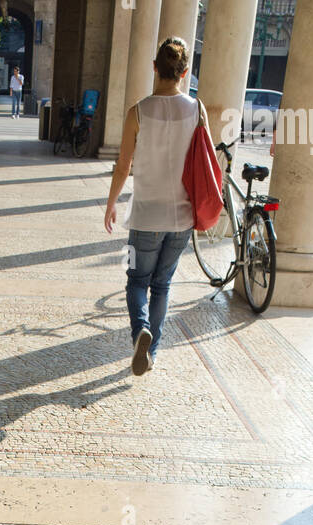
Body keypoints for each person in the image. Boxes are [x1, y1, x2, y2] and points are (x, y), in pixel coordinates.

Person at [104, 37, 211, 377]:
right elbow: (206, 159)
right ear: (185, 72)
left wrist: (110, 203)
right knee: (162, 285)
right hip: (181, 219)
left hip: (145, 216)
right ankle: (152, 351)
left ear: (155, 68)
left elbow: (123, 165)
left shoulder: (138, 112)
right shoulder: (198, 110)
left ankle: (141, 333)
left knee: (136, 280)